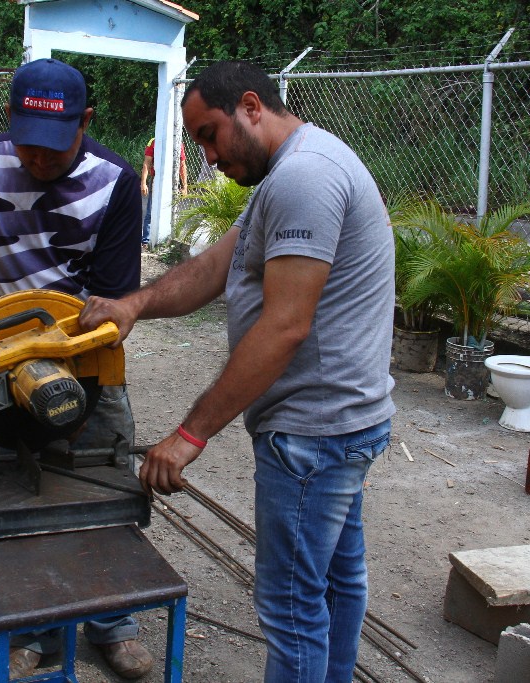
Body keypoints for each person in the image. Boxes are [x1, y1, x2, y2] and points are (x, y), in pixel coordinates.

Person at [79, 60, 395, 683]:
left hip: (313, 434)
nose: (208, 155)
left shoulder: (305, 177)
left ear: (251, 106)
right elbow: (216, 266)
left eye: (209, 134)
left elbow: (284, 326)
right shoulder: (290, 173)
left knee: (293, 608)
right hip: (336, 427)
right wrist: (134, 303)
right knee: (334, 582)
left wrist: (189, 434)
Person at [0, 58, 151, 681]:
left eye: (53, 147)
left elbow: (110, 304)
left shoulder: (115, 182)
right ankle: (33, 628)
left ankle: (113, 621)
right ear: (10, 123)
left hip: (84, 354)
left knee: (100, 483)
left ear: (86, 122)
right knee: (13, 488)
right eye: (27, 142)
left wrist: (67, 369)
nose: (38, 158)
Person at [139, 136, 187, 248]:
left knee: (171, 210)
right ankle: (146, 241)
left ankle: (167, 240)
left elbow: (182, 165)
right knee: (151, 211)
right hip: (156, 179)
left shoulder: (178, 143)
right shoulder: (154, 142)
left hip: (172, 181)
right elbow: (147, 162)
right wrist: (143, 182)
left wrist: (185, 186)